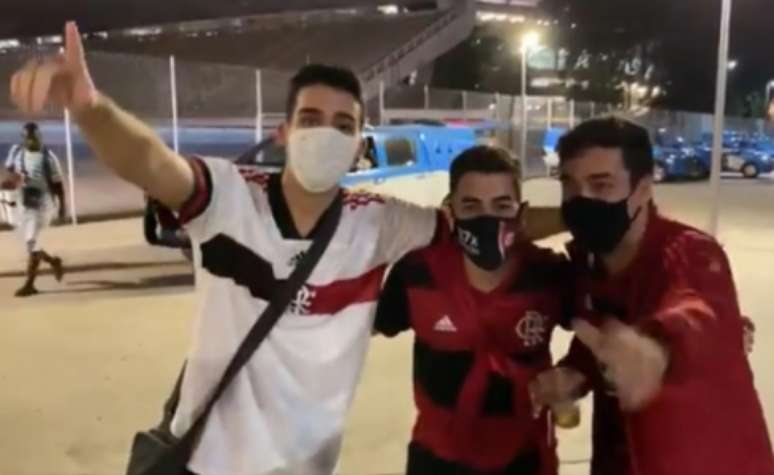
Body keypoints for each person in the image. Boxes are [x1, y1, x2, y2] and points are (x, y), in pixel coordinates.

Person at [10, 23, 562, 475]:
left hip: (309, 466)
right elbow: (151, 163)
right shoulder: (228, 197)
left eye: (343, 124)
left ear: (357, 144)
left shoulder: (382, 223)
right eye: (311, 119)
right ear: (283, 132)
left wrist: (587, 217)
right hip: (209, 461)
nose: (327, 133)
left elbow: (486, 220)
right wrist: (89, 108)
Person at [530, 117, 774, 475]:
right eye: (570, 185)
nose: (582, 201)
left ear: (643, 189)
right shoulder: (589, 260)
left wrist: (657, 349)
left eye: (602, 185)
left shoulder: (690, 253)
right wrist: (575, 374)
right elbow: (602, 340)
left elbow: (696, 313)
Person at [374, 145, 572, 475]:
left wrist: (573, 375)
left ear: (520, 214)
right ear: (451, 212)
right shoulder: (416, 274)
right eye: (471, 206)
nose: (487, 219)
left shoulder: (549, 275)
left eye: (501, 206)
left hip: (524, 460)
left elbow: (597, 333)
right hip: (436, 462)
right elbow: (349, 328)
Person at [3, 122, 66, 297]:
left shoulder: (48, 157)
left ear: (39, 137)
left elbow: (58, 185)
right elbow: (11, 174)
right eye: (28, 137)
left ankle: (29, 284)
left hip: (42, 205)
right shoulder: (16, 153)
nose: (31, 140)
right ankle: (54, 262)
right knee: (31, 245)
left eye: (34, 137)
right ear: (23, 138)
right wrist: (10, 184)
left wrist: (62, 208)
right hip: (23, 204)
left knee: (31, 242)